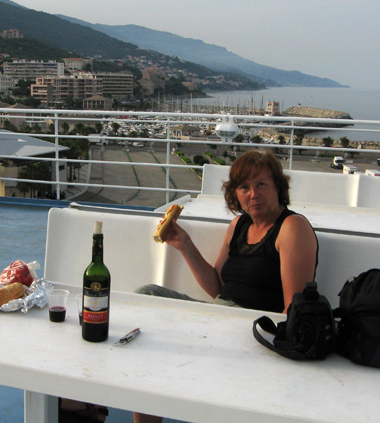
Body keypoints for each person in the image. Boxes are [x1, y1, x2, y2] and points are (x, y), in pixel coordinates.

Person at [133, 150, 319, 423]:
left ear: (278, 188)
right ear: (236, 194)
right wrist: (184, 244)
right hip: (219, 314)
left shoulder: (292, 227)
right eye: (244, 187)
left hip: (253, 328)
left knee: (157, 344)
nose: (253, 193)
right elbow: (218, 288)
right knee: (146, 296)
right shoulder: (238, 225)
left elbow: (293, 309)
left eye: (261, 185)